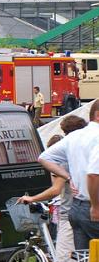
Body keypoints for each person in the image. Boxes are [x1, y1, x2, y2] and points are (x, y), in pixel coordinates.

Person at [18, 115, 87, 262]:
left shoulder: (63, 157)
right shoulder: (87, 151)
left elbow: (56, 189)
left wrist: (32, 198)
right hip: (88, 211)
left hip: (70, 214)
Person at [38, 99, 99, 252]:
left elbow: (44, 158)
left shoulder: (74, 136)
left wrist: (68, 176)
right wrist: (96, 206)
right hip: (94, 207)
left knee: (83, 261)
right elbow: (93, 174)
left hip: (77, 207)